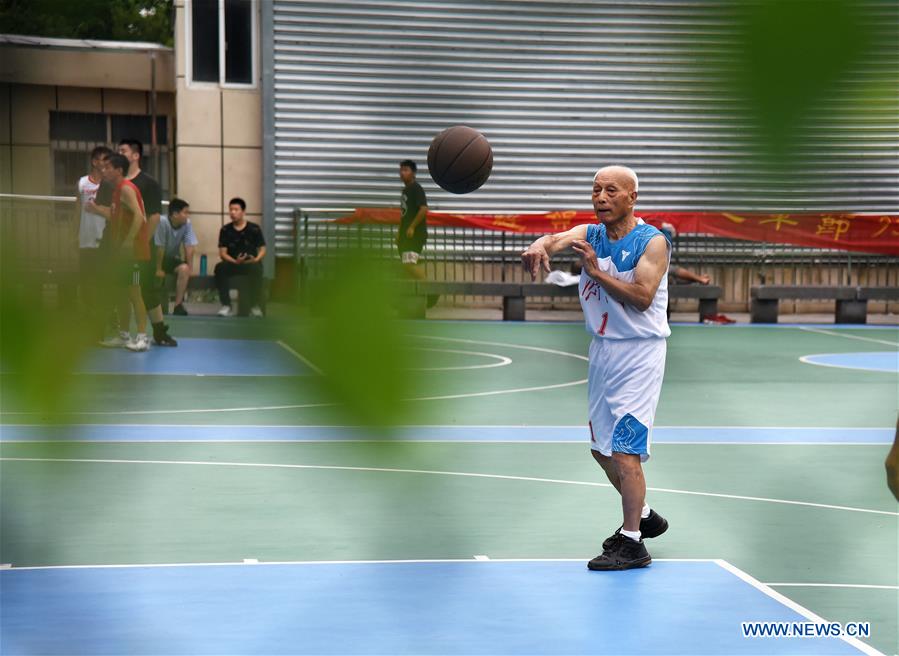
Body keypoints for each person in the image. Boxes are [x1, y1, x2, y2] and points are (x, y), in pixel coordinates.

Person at [521, 165, 670, 571]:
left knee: (625, 451)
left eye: (611, 190)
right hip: (603, 351)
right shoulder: (591, 234)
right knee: (600, 449)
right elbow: (556, 238)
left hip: (639, 353)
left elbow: (642, 296)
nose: (601, 197)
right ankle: (644, 515)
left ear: (632, 198)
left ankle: (633, 543)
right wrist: (540, 244)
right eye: (596, 189)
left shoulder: (652, 242)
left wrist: (596, 273)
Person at [102, 153, 151, 351]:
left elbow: (139, 216)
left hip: (133, 252)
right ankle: (124, 335)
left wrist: (129, 241)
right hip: (121, 254)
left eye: (108, 167)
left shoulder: (126, 188)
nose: (104, 170)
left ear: (119, 170)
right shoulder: (117, 190)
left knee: (134, 293)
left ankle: (143, 337)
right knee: (121, 293)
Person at [75, 146, 113, 323]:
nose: (105, 163)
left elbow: (114, 212)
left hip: (104, 240)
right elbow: (77, 210)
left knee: (104, 280)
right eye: (102, 159)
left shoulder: (111, 184)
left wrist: (97, 209)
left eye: (108, 160)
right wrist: (73, 234)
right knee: (86, 280)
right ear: (94, 161)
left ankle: (108, 315)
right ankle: (88, 315)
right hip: (85, 239)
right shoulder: (82, 182)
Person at [215, 198, 265, 317]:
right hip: (233, 263)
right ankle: (226, 305)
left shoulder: (254, 228)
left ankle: (254, 306)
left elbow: (263, 249)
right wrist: (235, 261)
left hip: (250, 263)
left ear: (243, 212)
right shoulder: (225, 230)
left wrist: (256, 259)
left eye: (236, 209)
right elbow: (223, 253)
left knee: (257, 269)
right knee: (220, 268)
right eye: (231, 209)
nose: (232, 212)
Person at [155, 198, 198, 316]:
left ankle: (178, 305)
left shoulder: (187, 224)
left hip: (172, 259)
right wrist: (158, 269)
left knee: (184, 269)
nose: (187, 216)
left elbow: (189, 246)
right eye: (185, 212)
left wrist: (190, 268)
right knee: (162, 307)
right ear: (175, 214)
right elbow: (160, 247)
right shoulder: (162, 222)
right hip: (156, 258)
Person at [397, 160, 428, 280]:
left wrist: (412, 227)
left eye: (406, 170)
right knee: (407, 264)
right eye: (401, 170)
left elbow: (423, 209)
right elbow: (403, 214)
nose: (402, 173)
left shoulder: (416, 188)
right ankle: (425, 287)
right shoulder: (405, 190)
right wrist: (399, 232)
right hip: (406, 235)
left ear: (413, 173)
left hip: (415, 234)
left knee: (409, 264)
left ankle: (430, 287)